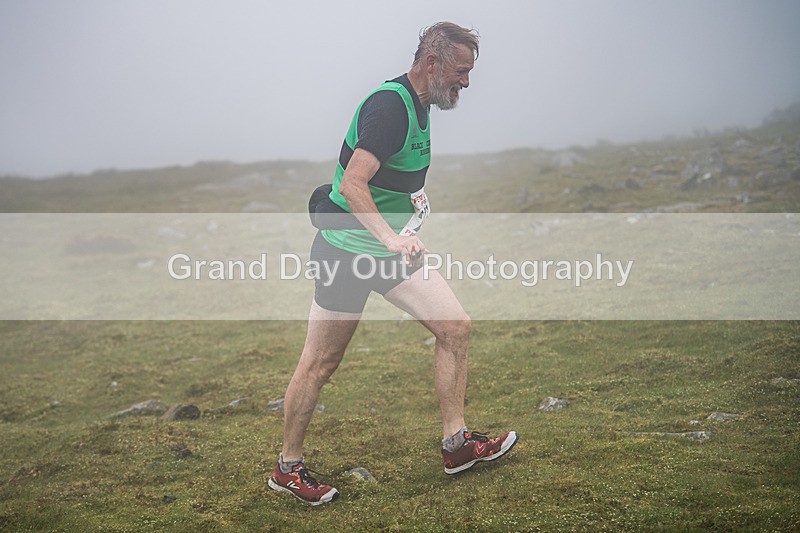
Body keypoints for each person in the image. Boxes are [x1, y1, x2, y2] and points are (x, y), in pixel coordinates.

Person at [268, 21, 517, 506]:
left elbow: (390, 179)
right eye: (461, 71)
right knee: (321, 362)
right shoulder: (390, 107)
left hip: (388, 250)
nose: (466, 82)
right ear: (432, 64)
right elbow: (354, 184)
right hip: (346, 252)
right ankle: (287, 469)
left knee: (456, 327)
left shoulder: (422, 107)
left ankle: (457, 445)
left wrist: (406, 215)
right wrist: (390, 236)